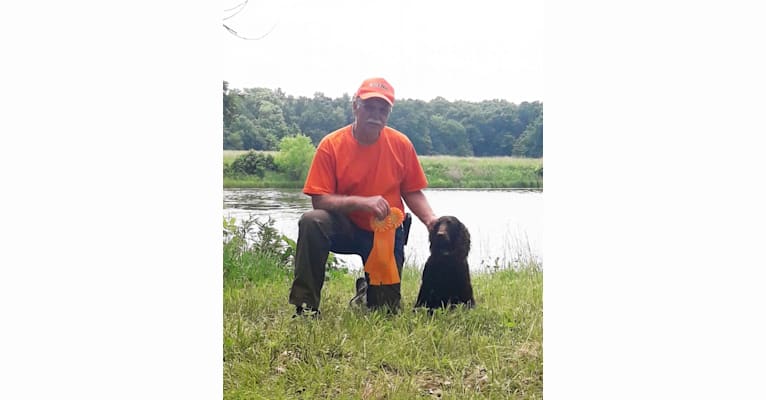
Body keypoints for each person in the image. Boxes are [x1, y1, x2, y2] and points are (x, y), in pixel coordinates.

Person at [288, 77, 439, 316]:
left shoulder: (401, 144)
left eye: (383, 109)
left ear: (389, 113)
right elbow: (320, 200)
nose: (375, 114)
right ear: (355, 106)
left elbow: (411, 190)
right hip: (344, 225)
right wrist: (361, 202)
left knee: (385, 311)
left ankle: (366, 290)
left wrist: (431, 220)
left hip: (385, 233)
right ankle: (306, 306)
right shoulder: (331, 145)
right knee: (312, 220)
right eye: (369, 106)